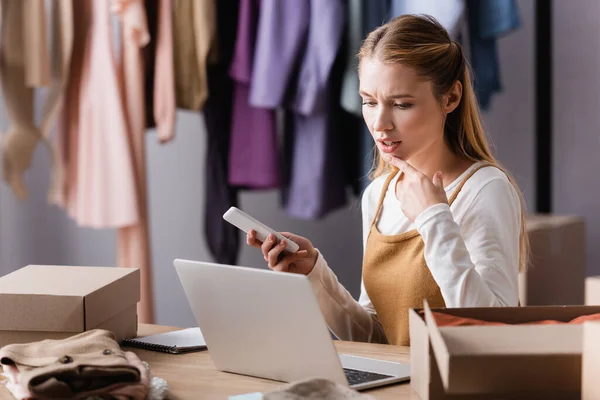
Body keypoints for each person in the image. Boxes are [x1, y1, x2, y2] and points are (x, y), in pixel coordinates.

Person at [246, 14, 528, 346]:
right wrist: (314, 274)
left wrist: (434, 218)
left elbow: (496, 336)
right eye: (369, 101)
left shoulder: (484, 190)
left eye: (402, 104)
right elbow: (379, 337)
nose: (380, 123)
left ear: (450, 98)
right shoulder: (379, 193)